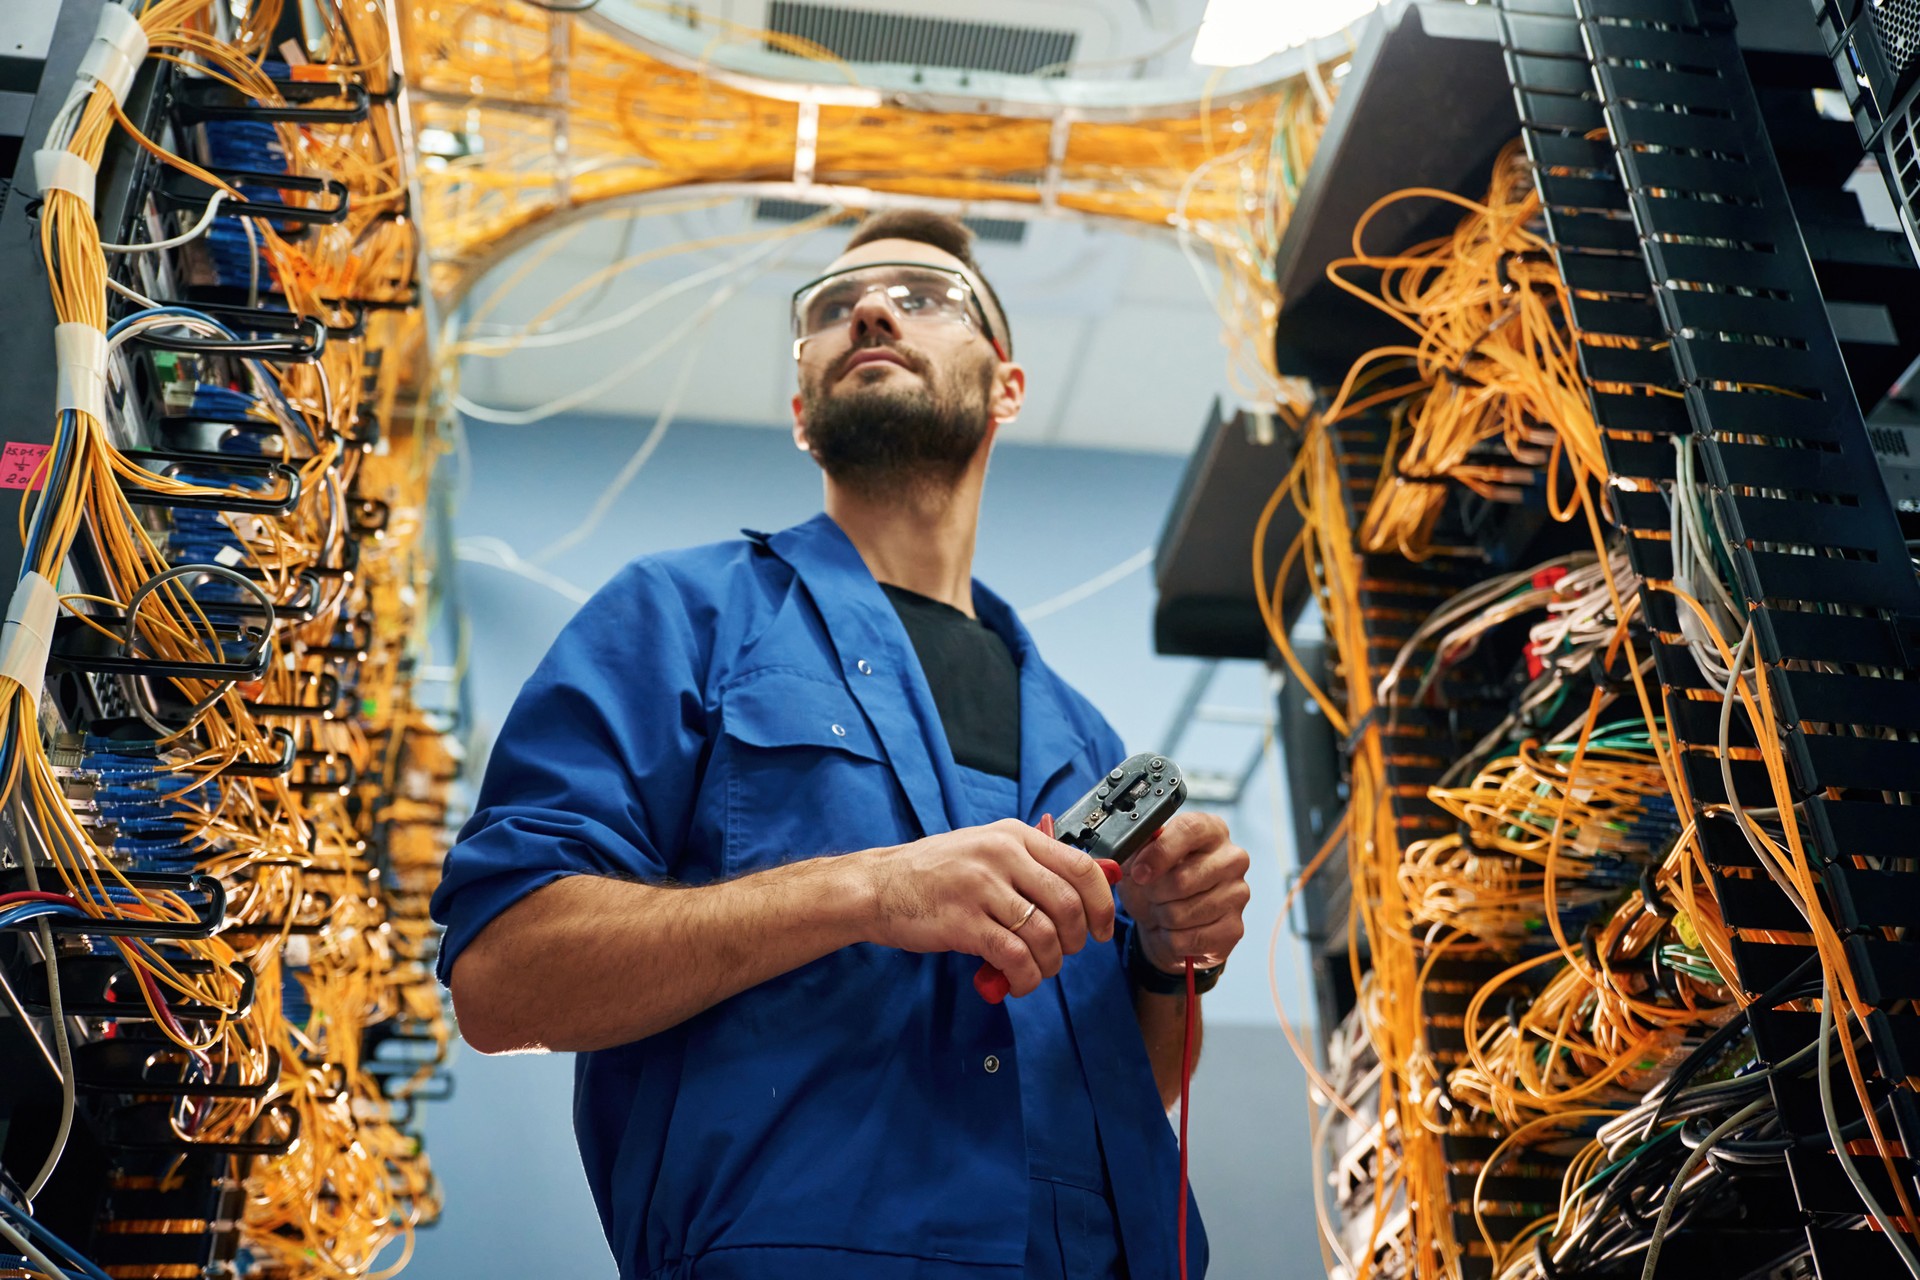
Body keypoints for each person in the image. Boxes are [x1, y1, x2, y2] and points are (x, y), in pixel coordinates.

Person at [431, 208, 1253, 1280]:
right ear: (801, 407)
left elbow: (1125, 1088)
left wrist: (1162, 953)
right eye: (830, 309)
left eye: (926, 298)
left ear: (1006, 384)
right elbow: (503, 979)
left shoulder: (1084, 737)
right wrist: (869, 891)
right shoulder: (683, 619)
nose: (869, 307)